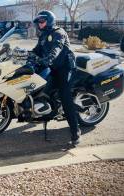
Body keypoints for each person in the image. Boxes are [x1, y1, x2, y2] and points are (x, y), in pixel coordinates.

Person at [29, 10, 81, 146]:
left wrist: (47, 60)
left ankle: (75, 131)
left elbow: (56, 50)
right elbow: (37, 50)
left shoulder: (59, 33)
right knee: (41, 89)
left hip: (65, 68)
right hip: (53, 67)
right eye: (38, 22)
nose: (39, 24)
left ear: (49, 21)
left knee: (65, 96)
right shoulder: (43, 35)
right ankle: (46, 113)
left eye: (42, 21)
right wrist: (24, 54)